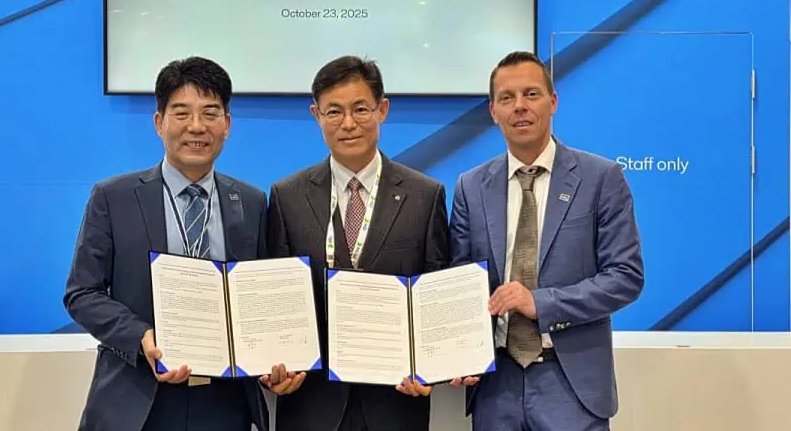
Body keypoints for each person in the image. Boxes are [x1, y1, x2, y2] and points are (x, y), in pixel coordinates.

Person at [63, 56, 269, 431]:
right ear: (159, 122)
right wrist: (141, 336)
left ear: (227, 125)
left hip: (225, 403)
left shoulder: (252, 202)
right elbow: (82, 293)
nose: (196, 127)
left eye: (210, 113)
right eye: (181, 113)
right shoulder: (114, 197)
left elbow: (262, 294)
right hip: (138, 400)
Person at [448, 51, 644, 431]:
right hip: (495, 386)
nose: (519, 106)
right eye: (506, 98)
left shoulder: (600, 178)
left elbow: (625, 277)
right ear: (493, 111)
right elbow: (459, 279)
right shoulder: (470, 187)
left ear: (553, 101)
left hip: (570, 384)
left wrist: (540, 303)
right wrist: (455, 350)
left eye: (531, 94)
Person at [264, 55, 450, 431]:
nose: (348, 123)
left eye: (360, 109)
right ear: (316, 115)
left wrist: (433, 367)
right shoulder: (287, 196)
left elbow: (437, 295)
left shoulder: (424, 195)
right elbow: (276, 298)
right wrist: (274, 363)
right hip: (310, 405)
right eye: (334, 112)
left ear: (382, 110)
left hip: (395, 405)